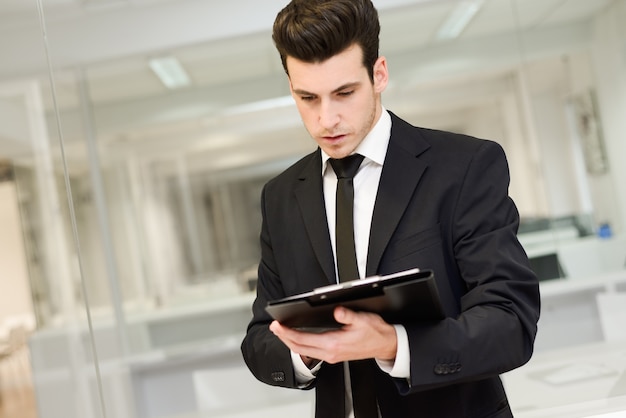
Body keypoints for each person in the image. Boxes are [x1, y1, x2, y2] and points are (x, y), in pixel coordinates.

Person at [240, 0, 541, 417]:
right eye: (307, 97)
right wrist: (307, 352)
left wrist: (392, 344)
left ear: (379, 74)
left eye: (344, 93)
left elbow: (511, 323)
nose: (326, 119)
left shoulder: (464, 167)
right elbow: (259, 339)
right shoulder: (281, 196)